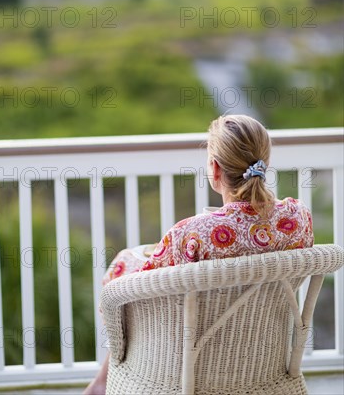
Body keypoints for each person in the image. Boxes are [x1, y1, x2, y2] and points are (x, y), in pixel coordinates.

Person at [84, 114, 314, 394]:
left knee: (125, 264)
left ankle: (101, 382)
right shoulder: (298, 218)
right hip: (262, 359)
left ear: (215, 169)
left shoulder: (192, 234)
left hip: (187, 366)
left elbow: (135, 295)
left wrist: (127, 260)